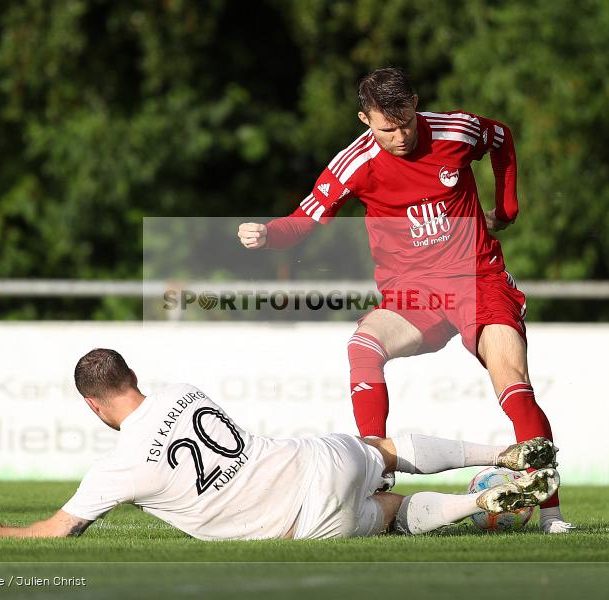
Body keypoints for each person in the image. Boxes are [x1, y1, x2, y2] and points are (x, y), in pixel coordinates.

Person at [237, 67, 573, 533]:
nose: (399, 136)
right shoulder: (355, 163)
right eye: (386, 128)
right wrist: (269, 234)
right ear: (364, 119)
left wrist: (508, 209)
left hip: (478, 280)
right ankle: (379, 475)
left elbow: (502, 138)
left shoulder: (455, 131)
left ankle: (552, 514)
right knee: (362, 347)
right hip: (412, 295)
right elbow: (307, 217)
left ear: (416, 103)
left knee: (512, 382)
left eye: (407, 124)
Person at [0, 348, 559, 540]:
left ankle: (480, 504)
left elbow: (62, 530)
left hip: (308, 522)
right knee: (383, 449)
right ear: (132, 378)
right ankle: (499, 455)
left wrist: (1, 532)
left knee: (391, 515)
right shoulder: (184, 392)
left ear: (91, 403)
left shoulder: (115, 467)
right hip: (318, 458)